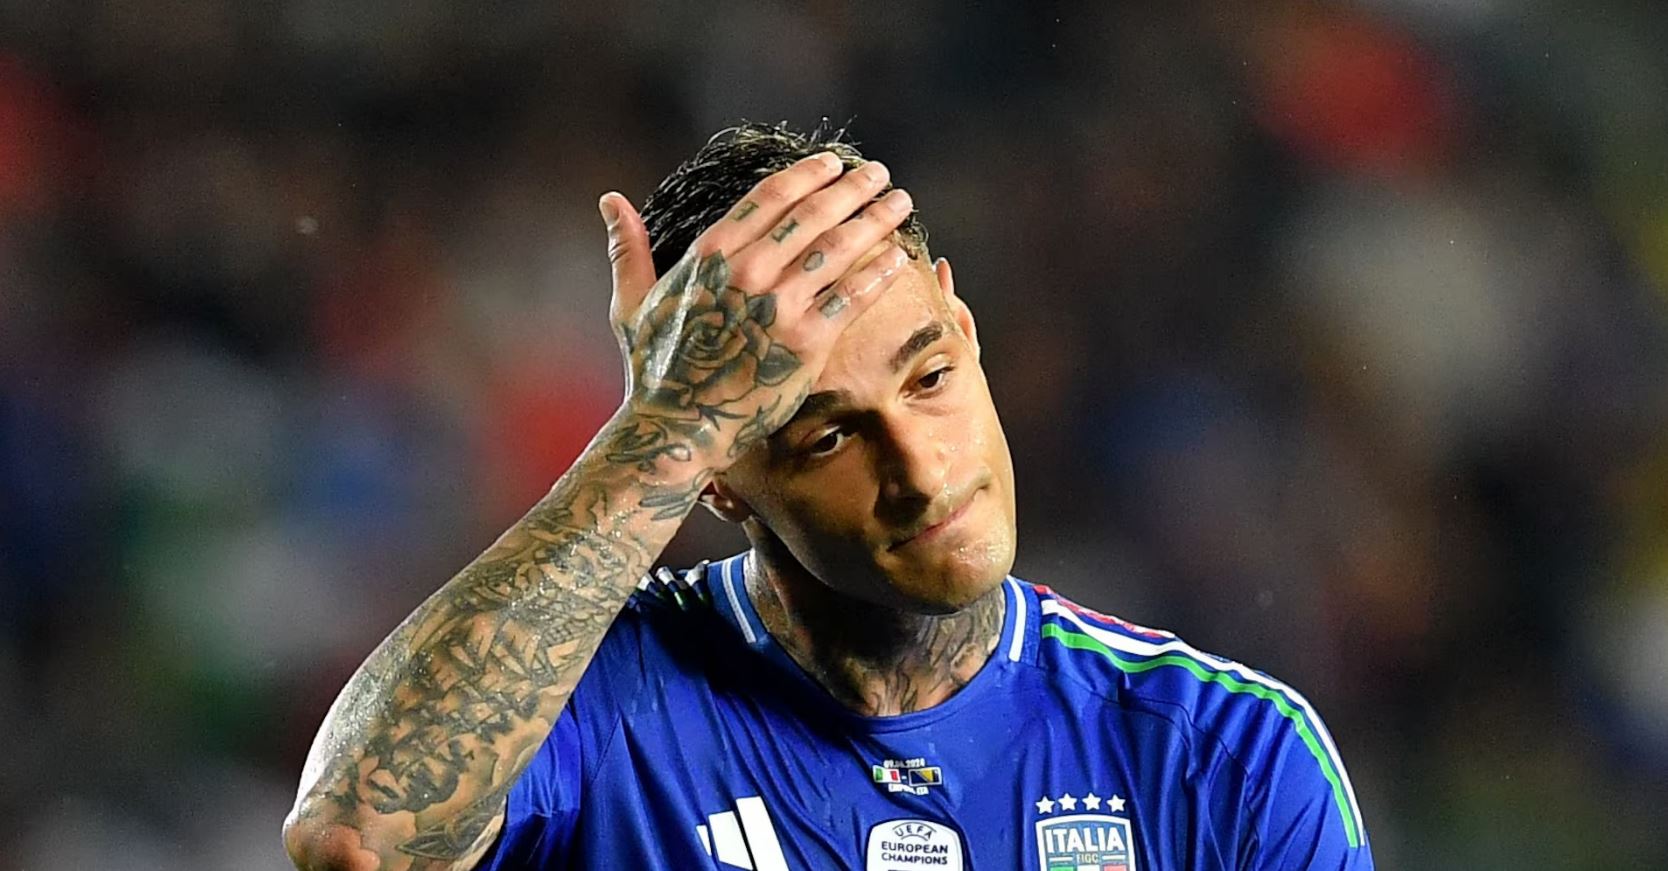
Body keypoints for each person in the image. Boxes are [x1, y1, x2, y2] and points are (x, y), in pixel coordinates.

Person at [282, 122, 1374, 871]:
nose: (923, 470)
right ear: (718, 480)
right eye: (830, 436)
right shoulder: (598, 710)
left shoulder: (1220, 759)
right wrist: (665, 424)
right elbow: (356, 837)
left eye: (930, 375)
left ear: (965, 324)